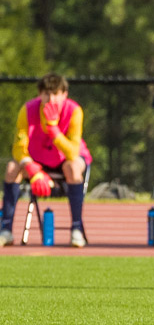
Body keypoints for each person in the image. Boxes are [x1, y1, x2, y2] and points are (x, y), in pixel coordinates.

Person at [1, 73, 93, 248]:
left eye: (56, 94)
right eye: (46, 94)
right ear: (40, 94)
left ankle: (76, 228)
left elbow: (73, 152)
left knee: (72, 168)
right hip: (37, 160)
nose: (51, 99)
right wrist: (32, 168)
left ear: (64, 94)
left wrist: (54, 129)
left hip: (66, 160)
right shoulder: (27, 110)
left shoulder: (74, 111)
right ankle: (6, 229)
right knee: (12, 167)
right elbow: (19, 147)